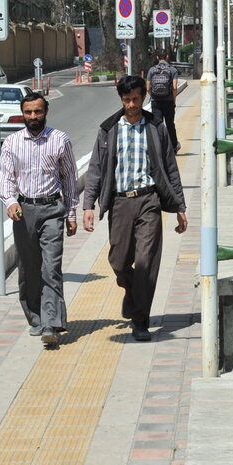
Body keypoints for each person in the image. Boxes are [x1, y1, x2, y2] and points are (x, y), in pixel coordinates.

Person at [81, 75, 188, 341]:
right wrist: (88, 206)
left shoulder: (156, 126)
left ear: (144, 97)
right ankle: (130, 292)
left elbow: (170, 168)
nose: (131, 105)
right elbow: (95, 169)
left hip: (148, 200)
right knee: (118, 262)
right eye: (127, 100)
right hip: (119, 202)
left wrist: (179, 205)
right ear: (121, 99)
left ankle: (140, 321)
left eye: (136, 99)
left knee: (145, 264)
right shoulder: (108, 130)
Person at [0, 91, 79, 349]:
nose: (33, 116)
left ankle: (51, 323)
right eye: (29, 112)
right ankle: (35, 315)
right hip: (24, 211)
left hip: (52, 209)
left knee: (50, 267)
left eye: (38, 111)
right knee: (29, 269)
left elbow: (69, 179)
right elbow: (4, 177)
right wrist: (10, 203)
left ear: (46, 112)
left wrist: (72, 213)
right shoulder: (11, 143)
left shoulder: (59, 140)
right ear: (23, 113)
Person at [145, 49, 181, 153]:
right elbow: (174, 87)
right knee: (170, 124)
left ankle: (158, 148)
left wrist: (153, 96)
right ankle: (174, 146)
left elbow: (148, 88)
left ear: (157, 58)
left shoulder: (151, 70)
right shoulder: (172, 70)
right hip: (168, 101)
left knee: (157, 125)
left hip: (156, 101)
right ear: (167, 57)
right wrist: (173, 100)